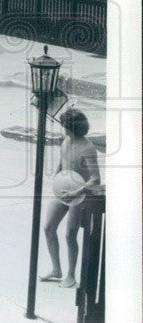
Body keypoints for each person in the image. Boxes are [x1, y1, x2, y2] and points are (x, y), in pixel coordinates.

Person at [41, 110, 101, 289]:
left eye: (64, 125)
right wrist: (58, 175)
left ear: (70, 127)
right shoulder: (66, 140)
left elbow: (96, 179)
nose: (62, 127)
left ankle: (70, 275)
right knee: (48, 227)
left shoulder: (88, 148)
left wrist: (76, 192)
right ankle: (56, 270)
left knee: (70, 235)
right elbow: (63, 159)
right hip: (64, 190)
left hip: (80, 195)